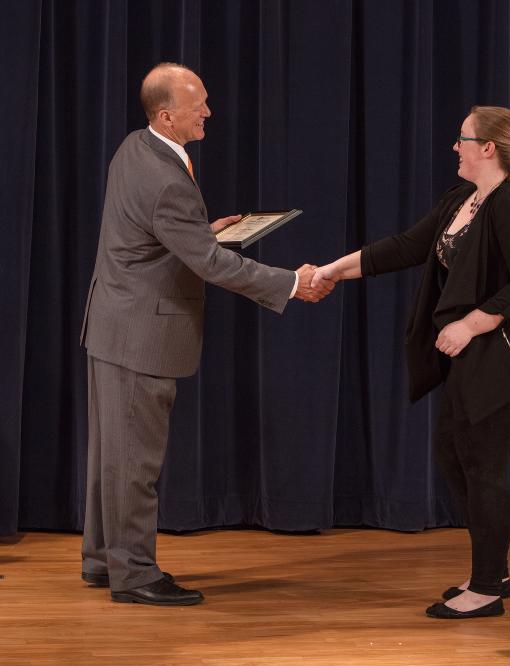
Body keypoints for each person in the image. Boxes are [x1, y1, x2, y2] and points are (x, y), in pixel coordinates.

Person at [80, 62, 333, 607]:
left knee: (113, 457)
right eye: (198, 107)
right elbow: (211, 264)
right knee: (134, 463)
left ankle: (104, 560)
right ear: (166, 116)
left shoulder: (134, 148)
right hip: (139, 336)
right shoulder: (165, 179)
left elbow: (159, 236)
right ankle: (134, 575)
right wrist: (292, 283)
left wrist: (201, 233)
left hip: (114, 325)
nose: (209, 113)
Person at [313, 106, 510, 619]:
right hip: (470, 353)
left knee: (482, 464)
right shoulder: (461, 200)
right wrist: (331, 271)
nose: (454, 147)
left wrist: (470, 324)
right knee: (453, 454)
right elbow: (405, 247)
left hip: (499, 352)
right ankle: (495, 571)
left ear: (488, 147)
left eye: (462, 138)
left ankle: (486, 589)